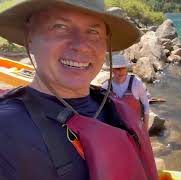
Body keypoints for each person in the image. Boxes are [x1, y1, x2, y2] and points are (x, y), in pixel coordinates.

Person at [0, 1, 157, 179]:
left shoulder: (118, 112)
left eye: (93, 31)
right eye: (60, 27)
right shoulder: (6, 129)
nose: (81, 45)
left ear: (106, 43)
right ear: (30, 37)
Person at [101, 54, 150, 129]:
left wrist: (145, 129)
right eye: (118, 68)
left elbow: (146, 105)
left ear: (127, 68)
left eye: (123, 68)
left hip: (135, 127)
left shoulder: (136, 83)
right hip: (116, 128)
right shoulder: (105, 87)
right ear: (112, 70)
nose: (121, 71)